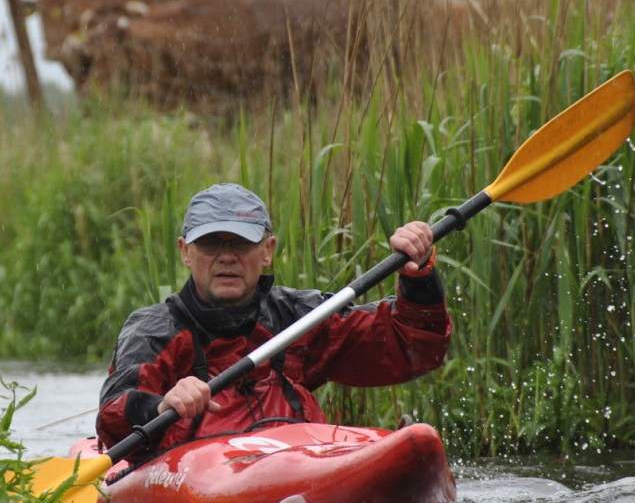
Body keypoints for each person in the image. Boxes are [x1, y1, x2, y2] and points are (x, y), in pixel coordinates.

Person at [96, 183, 451, 454]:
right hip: (199, 471)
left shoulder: (301, 318)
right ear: (185, 252)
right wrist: (161, 404)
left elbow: (412, 345)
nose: (227, 257)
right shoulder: (154, 331)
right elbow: (114, 413)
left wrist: (418, 277)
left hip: (298, 459)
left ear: (267, 251)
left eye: (241, 244)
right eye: (211, 245)